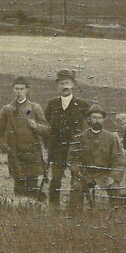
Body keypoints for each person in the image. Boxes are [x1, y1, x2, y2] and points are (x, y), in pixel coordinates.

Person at [0, 76, 50, 198]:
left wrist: (36, 126)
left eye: (21, 89)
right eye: (16, 88)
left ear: (27, 90)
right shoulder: (7, 109)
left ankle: (31, 213)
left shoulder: (35, 108)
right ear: (13, 89)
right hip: (15, 153)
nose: (19, 91)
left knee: (32, 187)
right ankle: (19, 213)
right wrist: (6, 148)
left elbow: (47, 129)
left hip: (32, 153)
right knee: (18, 187)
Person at [44, 69, 91, 205]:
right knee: (56, 178)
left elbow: (90, 123)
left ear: (73, 84)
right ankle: (53, 208)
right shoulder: (52, 104)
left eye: (68, 83)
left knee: (77, 177)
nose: (65, 86)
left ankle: (75, 208)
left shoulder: (82, 105)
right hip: (57, 149)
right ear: (58, 85)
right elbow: (48, 122)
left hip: (75, 148)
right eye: (62, 83)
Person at [68, 105, 125, 210]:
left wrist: (113, 177)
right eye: (94, 118)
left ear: (103, 120)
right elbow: (72, 159)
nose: (97, 120)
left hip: (104, 174)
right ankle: (74, 218)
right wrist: (77, 172)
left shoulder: (111, 138)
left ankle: (116, 218)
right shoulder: (80, 137)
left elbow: (119, 160)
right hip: (85, 174)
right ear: (89, 119)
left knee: (115, 188)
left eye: (99, 118)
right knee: (76, 187)